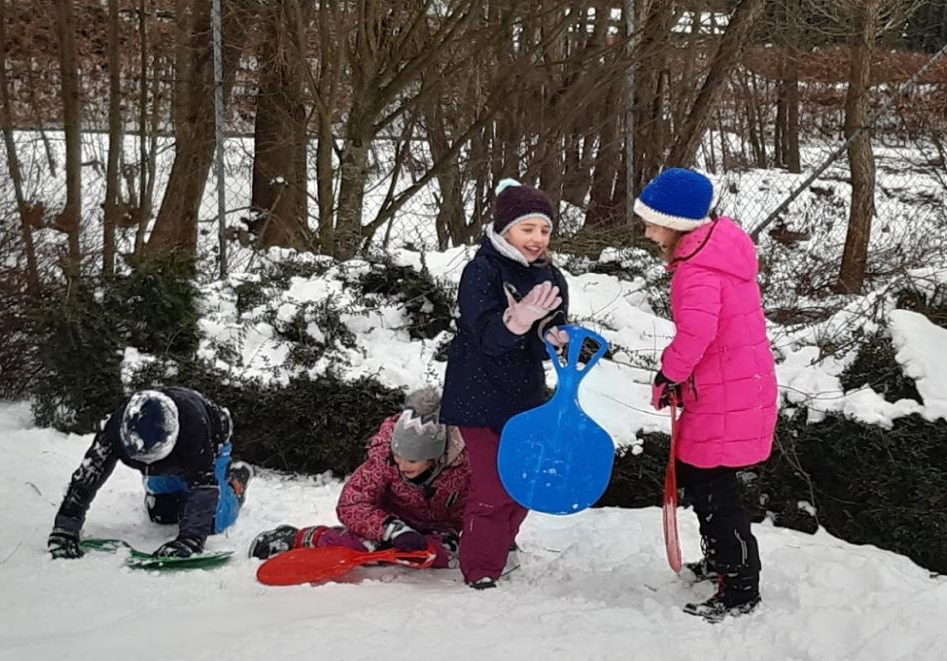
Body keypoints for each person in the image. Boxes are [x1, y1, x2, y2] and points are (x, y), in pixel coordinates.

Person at [636, 167, 778, 620]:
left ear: (675, 223)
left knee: (715, 490)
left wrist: (668, 374)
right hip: (732, 387)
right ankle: (722, 561)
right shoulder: (717, 253)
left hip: (724, 395)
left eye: (652, 222)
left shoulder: (697, 272)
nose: (646, 231)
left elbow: (696, 336)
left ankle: (739, 587)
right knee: (704, 480)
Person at [439, 179, 570, 590]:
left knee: (522, 481)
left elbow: (542, 340)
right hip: (476, 396)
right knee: (494, 485)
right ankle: (480, 566)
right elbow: (486, 338)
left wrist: (552, 339)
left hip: (524, 397)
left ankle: (498, 542)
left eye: (544, 230)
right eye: (527, 229)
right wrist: (515, 321)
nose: (537, 238)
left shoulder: (551, 276)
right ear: (505, 229)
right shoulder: (482, 271)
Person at [248, 387, 469, 569]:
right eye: (397, 456)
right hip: (385, 524)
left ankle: (404, 552)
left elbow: (476, 507)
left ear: (433, 458)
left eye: (411, 460)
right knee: (356, 546)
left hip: (435, 532)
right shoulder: (384, 461)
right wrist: (392, 528)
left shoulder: (462, 470)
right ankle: (302, 538)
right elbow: (351, 504)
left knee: (438, 555)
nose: (401, 465)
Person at [47, 387, 253, 559]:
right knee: (162, 514)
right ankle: (171, 489)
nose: (148, 464)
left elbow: (204, 486)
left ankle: (236, 480)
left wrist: (191, 539)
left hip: (212, 443)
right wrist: (66, 527)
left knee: (213, 521)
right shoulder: (115, 429)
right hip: (172, 460)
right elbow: (89, 474)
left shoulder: (194, 428)